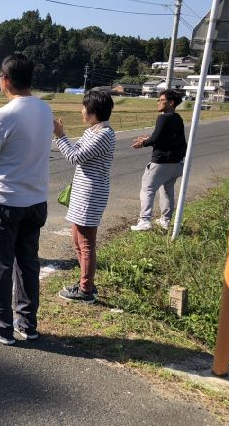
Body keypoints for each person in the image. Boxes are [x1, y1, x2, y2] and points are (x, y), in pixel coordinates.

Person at [0, 54, 53, 345]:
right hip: (36, 199)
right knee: (28, 263)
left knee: (1, 265)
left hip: (5, 200)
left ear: (4, 79)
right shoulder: (45, 110)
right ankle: (27, 325)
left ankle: (2, 327)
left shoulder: (3, 115)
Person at [53, 91, 116, 303]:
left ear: (93, 111)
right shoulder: (92, 131)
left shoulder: (104, 135)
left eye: (83, 107)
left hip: (91, 194)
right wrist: (63, 137)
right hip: (82, 192)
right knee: (77, 242)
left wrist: (60, 135)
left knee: (86, 243)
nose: (81, 111)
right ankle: (86, 282)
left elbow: (74, 156)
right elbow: (77, 151)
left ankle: (86, 290)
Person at [130, 89, 187, 231]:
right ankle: (165, 221)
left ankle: (145, 220)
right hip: (176, 163)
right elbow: (162, 137)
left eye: (161, 100)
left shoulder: (163, 117)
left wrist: (143, 143)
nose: (158, 102)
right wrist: (147, 139)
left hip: (161, 162)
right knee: (167, 190)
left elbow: (156, 138)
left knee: (147, 189)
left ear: (171, 102)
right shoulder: (177, 118)